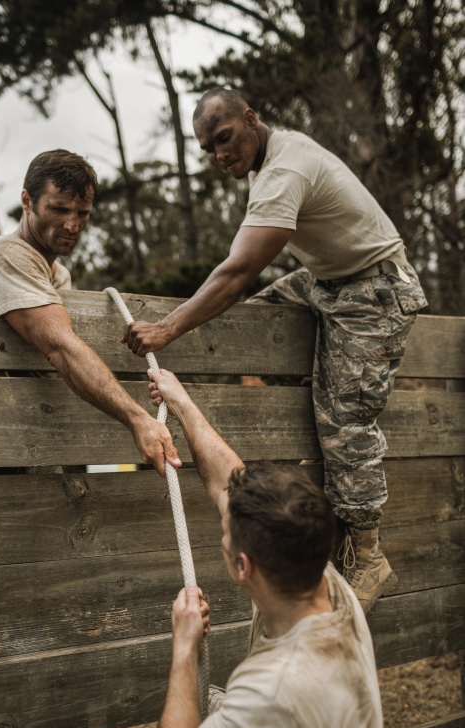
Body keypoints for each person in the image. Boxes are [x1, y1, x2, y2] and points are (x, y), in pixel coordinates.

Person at [122, 87, 429, 614]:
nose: (220, 155)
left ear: (251, 118)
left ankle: (369, 554)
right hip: (329, 280)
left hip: (374, 290)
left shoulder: (284, 170)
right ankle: (301, 388)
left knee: (346, 421)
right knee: (259, 316)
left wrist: (167, 330)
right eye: (209, 149)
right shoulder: (267, 164)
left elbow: (238, 271)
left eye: (224, 138)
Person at [0, 149, 181, 728]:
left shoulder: (55, 269)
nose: (72, 223)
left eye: (82, 212)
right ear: (26, 200)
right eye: (58, 209)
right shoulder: (4, 256)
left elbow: (71, 341)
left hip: (24, 463)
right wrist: (138, 415)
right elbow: (59, 344)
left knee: (40, 611)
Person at [128, 366, 396, 728]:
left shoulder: (279, 688)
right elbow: (229, 480)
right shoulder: (325, 581)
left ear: (242, 566)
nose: (223, 527)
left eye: (225, 533)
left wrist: (184, 649)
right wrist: (181, 402)